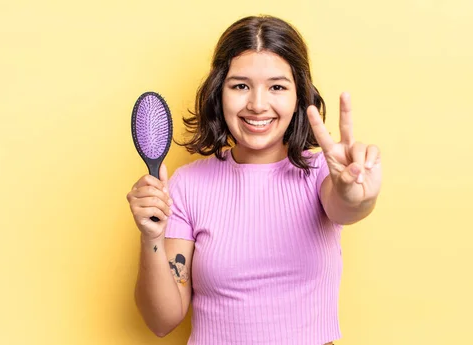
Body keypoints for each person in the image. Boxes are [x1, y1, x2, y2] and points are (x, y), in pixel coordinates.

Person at [126, 14, 382, 345]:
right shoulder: (187, 185)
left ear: (298, 96)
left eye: (277, 86)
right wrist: (151, 238)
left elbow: (346, 206)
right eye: (241, 86)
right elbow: (162, 320)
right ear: (219, 92)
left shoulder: (322, 173)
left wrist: (354, 193)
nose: (258, 105)